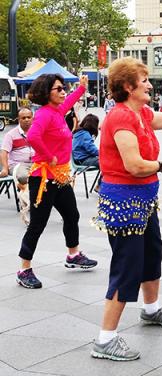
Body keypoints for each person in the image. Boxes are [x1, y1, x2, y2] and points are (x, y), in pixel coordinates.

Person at [90, 57, 162, 361]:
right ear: (127, 86)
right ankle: (105, 339)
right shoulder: (120, 118)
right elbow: (134, 165)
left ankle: (151, 310)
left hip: (144, 202)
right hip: (125, 203)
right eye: (144, 80)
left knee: (151, 253)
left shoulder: (142, 113)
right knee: (127, 265)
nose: (149, 84)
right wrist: (160, 165)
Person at [16, 73, 98, 289]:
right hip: (43, 179)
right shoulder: (44, 114)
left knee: (72, 215)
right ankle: (24, 269)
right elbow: (33, 136)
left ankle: (73, 255)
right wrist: (48, 155)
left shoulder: (56, 111)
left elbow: (69, 101)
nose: (63, 92)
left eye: (63, 88)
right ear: (47, 93)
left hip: (60, 178)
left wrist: (80, 89)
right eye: (59, 89)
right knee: (37, 225)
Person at [0, 107, 34, 186]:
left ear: (32, 118)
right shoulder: (11, 135)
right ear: (18, 119)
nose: (26, 120)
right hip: (17, 165)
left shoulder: (37, 132)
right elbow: (3, 152)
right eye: (23, 118)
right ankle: (28, 196)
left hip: (35, 163)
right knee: (23, 177)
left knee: (53, 175)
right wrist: (5, 169)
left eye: (29, 117)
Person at [72, 114, 102, 190]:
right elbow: (91, 149)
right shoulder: (85, 134)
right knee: (107, 163)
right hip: (83, 159)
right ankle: (100, 186)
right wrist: (104, 153)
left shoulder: (79, 132)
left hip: (80, 159)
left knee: (105, 161)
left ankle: (100, 185)